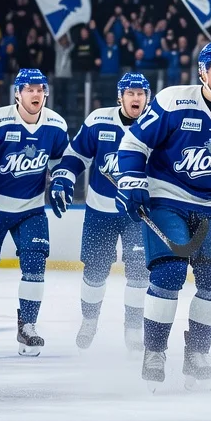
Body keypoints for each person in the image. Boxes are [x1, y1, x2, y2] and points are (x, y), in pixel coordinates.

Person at [116, 43, 211, 391]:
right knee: (170, 271)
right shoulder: (174, 101)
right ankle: (154, 351)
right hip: (166, 199)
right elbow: (134, 145)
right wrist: (130, 182)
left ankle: (197, 354)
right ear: (202, 72)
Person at [0, 69, 70, 354]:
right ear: (17, 94)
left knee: (35, 266)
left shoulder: (55, 124)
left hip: (30, 210)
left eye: (40, 88)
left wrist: (60, 183)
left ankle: (27, 326)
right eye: (28, 89)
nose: (35, 94)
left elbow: (62, 163)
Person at [55, 72, 152, 352]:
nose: (136, 98)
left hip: (138, 212)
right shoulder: (99, 120)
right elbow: (76, 155)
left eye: (141, 93)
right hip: (100, 211)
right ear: (119, 97)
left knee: (138, 272)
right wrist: (64, 177)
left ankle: (133, 327)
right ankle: (89, 320)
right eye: (131, 93)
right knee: (95, 270)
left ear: (148, 98)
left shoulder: (156, 126)